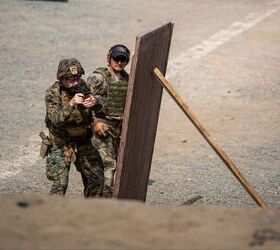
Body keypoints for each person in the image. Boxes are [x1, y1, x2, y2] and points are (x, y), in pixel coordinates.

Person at [43, 58, 104, 197]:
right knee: (60, 184)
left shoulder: (85, 87)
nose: (75, 82)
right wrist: (70, 105)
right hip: (60, 144)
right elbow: (55, 120)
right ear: (62, 79)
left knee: (96, 178)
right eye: (70, 79)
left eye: (77, 78)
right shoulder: (53, 93)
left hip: (82, 141)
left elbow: (104, 109)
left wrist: (95, 102)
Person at [87, 44, 130, 197]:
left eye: (123, 60)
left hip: (118, 129)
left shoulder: (127, 79)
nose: (119, 62)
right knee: (108, 164)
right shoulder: (98, 78)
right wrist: (94, 124)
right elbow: (84, 105)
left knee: (118, 163)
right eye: (116, 59)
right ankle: (104, 198)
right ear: (109, 58)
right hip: (101, 127)